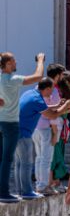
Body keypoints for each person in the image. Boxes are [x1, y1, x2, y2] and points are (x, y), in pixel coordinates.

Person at [16, 79, 70, 199]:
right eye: (51, 89)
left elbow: (44, 107)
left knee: (36, 159)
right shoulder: (37, 99)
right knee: (44, 159)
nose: (52, 92)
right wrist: (65, 107)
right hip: (31, 132)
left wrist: (58, 105)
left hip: (30, 131)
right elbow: (52, 115)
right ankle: (41, 187)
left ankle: (36, 186)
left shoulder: (30, 93)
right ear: (46, 89)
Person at [0, 52, 45, 203]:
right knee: (7, 160)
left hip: (1, 122)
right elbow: (38, 77)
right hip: (11, 124)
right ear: (6, 64)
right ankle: (4, 193)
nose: (16, 62)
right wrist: (39, 60)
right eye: (13, 61)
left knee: (3, 159)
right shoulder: (13, 79)